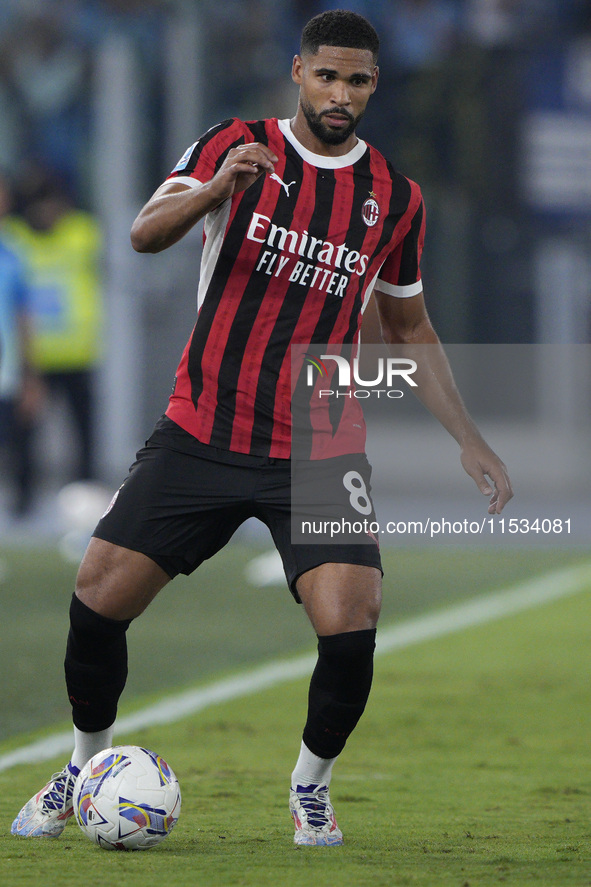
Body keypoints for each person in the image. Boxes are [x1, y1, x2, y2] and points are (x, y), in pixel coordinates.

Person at [12, 9, 512, 847]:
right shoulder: (234, 144)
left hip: (318, 443)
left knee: (353, 623)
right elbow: (143, 234)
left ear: (373, 84)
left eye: (356, 79)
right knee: (97, 600)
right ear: (297, 72)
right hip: (202, 426)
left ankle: (310, 787)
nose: (340, 93)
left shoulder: (395, 197)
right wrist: (218, 192)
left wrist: (467, 435)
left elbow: (409, 327)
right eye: (327, 76)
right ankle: (83, 767)